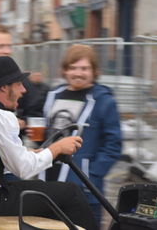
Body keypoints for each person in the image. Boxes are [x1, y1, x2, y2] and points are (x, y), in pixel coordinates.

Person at [0, 56, 97, 230]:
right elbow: (23, 169)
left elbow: (2, 158)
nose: (23, 90)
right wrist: (57, 148)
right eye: (18, 84)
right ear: (3, 87)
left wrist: (37, 153)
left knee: (50, 191)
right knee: (72, 193)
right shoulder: (0, 117)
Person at [42, 44, 122, 227]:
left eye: (84, 68)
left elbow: (113, 146)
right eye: (73, 68)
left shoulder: (104, 101)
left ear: (94, 71)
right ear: (64, 70)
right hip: (49, 185)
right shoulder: (52, 96)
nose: (78, 73)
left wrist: (89, 175)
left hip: (83, 190)